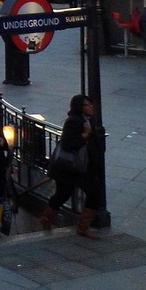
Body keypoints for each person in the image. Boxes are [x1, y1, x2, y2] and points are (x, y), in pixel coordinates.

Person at [41, 94, 100, 237]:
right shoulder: (74, 121)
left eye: (91, 104)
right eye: (88, 105)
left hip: (79, 167)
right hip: (69, 167)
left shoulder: (88, 120)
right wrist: (85, 135)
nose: (91, 107)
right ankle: (48, 219)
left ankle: (81, 226)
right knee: (65, 194)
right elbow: (68, 144)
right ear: (80, 107)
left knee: (86, 193)